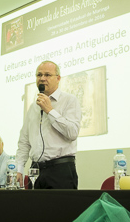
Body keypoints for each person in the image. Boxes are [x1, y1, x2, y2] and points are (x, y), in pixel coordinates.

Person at [16, 61, 82, 189]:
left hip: (60, 170)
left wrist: (50, 111)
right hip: (35, 171)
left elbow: (72, 133)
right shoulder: (33, 108)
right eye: (39, 75)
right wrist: (19, 168)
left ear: (58, 78)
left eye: (47, 75)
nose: (42, 78)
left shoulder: (69, 100)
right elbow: (24, 141)